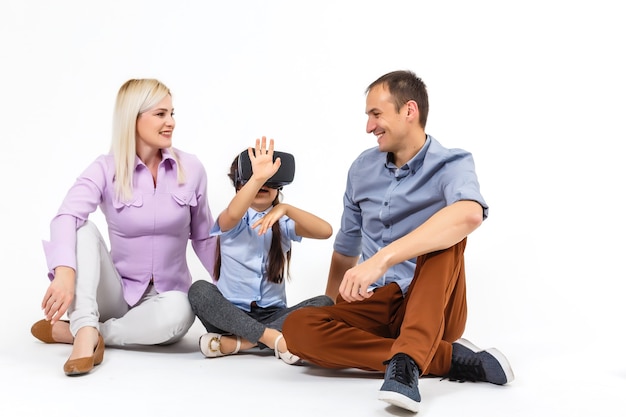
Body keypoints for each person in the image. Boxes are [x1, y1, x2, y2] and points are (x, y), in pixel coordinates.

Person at [282, 70, 514, 412]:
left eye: (376, 115)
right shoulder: (362, 169)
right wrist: (334, 310)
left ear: (409, 110)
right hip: (377, 303)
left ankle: (407, 362)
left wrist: (381, 260)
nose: (369, 126)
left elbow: (470, 215)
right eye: (368, 116)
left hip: (433, 303)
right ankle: (444, 358)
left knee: (446, 233)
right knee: (298, 328)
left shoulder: (452, 163)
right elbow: (346, 250)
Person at [30, 78, 217, 376]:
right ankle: (87, 328)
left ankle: (85, 331)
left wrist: (233, 295)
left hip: (166, 301)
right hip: (117, 293)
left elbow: (205, 238)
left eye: (172, 113)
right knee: (81, 228)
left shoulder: (191, 168)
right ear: (134, 118)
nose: (171, 122)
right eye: (160, 114)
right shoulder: (106, 168)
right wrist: (64, 272)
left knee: (183, 309)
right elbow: (66, 216)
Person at [188, 137, 334, 364]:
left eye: (270, 181)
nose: (263, 184)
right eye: (255, 180)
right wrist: (256, 178)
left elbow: (325, 231)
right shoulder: (232, 221)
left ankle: (240, 343)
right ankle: (272, 339)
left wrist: (286, 208)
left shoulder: (283, 224)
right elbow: (233, 213)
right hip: (229, 316)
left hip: (273, 315)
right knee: (199, 291)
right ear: (238, 185)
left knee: (325, 303)